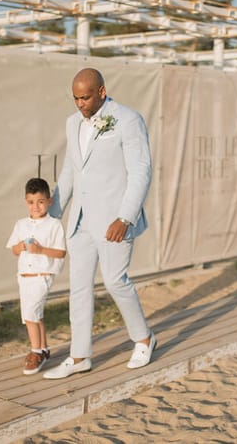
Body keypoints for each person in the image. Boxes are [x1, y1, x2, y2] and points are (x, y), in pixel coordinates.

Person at [44, 67, 155, 379]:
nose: (80, 103)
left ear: (102, 92)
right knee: (78, 288)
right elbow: (70, 170)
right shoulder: (71, 123)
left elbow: (141, 171)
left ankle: (144, 339)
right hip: (80, 221)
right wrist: (52, 213)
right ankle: (80, 356)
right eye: (76, 98)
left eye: (85, 97)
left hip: (114, 220)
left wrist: (125, 217)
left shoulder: (128, 119)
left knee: (115, 281)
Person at [6, 177, 66, 375]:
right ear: (26, 202)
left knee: (30, 314)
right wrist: (22, 245)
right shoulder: (21, 224)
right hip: (24, 276)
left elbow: (61, 252)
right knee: (34, 314)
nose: (36, 206)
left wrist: (40, 249)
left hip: (42, 275)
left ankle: (36, 351)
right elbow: (14, 249)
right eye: (31, 202)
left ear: (49, 201)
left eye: (41, 202)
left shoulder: (54, 225)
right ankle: (44, 348)